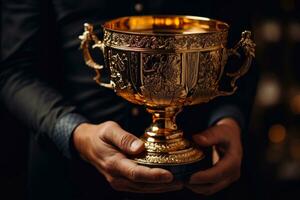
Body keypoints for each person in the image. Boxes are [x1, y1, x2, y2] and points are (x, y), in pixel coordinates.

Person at [0, 0, 258, 199]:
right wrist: (75, 133)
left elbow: (240, 47)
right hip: (70, 178)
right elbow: (14, 71)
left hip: (198, 174)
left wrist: (229, 121)